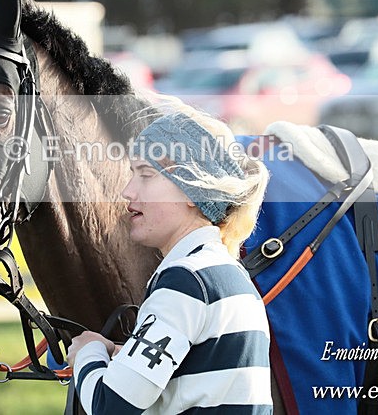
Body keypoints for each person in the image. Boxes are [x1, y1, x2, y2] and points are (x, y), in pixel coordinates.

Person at [67, 105, 272, 414]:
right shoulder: (227, 274)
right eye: (132, 174)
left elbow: (109, 407)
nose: (128, 191)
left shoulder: (187, 280)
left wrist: (88, 352)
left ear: (192, 190)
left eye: (146, 175)